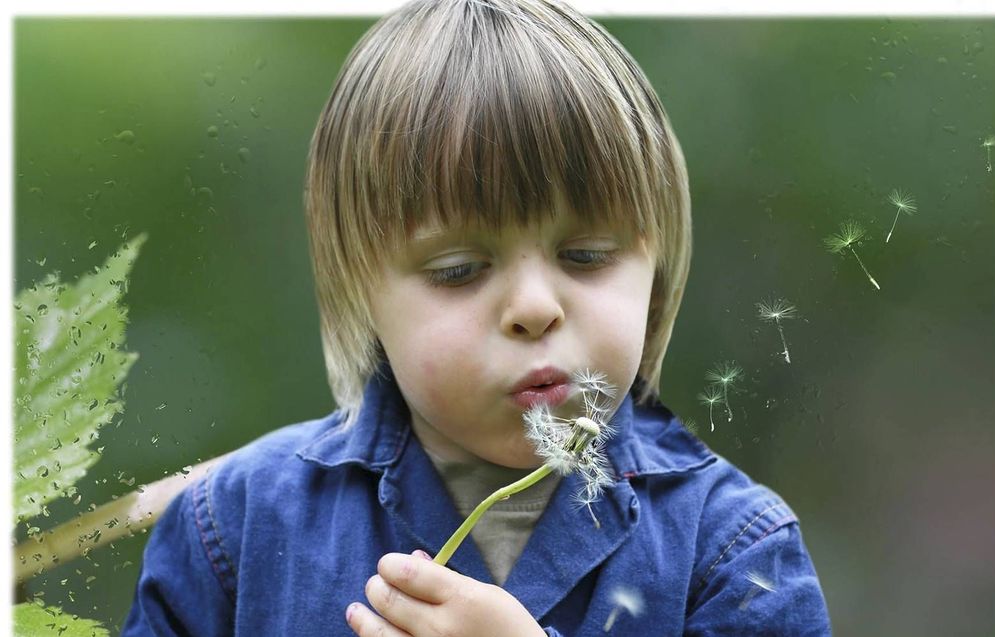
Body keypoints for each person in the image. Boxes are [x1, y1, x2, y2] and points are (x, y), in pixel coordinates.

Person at [123, 0, 832, 634]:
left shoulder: (737, 554)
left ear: (657, 266)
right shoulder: (235, 529)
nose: (533, 307)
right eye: (458, 269)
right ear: (359, 285)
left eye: (585, 255)